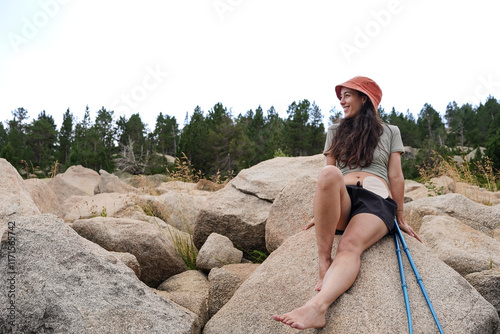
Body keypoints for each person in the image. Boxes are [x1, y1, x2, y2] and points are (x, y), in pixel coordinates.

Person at [272, 76, 422, 330]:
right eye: (340, 96)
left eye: (347, 95)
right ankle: (324, 261)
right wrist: (320, 215)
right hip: (344, 197)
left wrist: (400, 215)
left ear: (365, 98)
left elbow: (395, 175)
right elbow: (327, 179)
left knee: (350, 245)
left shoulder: (390, 131)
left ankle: (318, 307)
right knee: (329, 174)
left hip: (375, 200)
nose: (341, 100)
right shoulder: (334, 131)